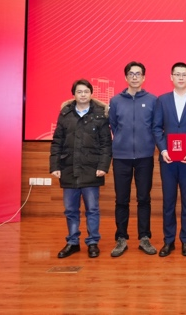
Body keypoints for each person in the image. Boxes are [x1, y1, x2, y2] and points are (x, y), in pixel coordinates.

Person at [50, 79, 112, 259]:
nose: (83, 95)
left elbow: (106, 144)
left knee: (92, 209)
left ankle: (92, 242)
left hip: (92, 169)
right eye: (79, 92)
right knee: (70, 210)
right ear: (74, 94)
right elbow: (57, 142)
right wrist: (55, 165)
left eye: (86, 91)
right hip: (68, 168)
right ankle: (73, 242)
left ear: (91, 94)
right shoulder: (65, 114)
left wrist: (103, 166)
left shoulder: (100, 114)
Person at [153, 62, 186, 257]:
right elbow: (156, 127)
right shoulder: (162, 100)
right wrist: (163, 149)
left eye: (184, 74)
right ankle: (169, 241)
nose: (181, 77)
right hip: (168, 159)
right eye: (177, 74)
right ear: (171, 77)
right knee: (168, 202)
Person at [108, 61, 158, 258]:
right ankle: (121, 238)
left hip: (145, 156)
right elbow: (113, 125)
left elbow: (155, 126)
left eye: (138, 74)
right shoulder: (116, 101)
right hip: (121, 157)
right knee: (121, 199)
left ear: (144, 77)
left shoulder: (153, 100)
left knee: (144, 198)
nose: (135, 77)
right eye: (131, 73)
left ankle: (144, 237)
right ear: (126, 77)